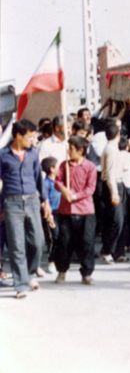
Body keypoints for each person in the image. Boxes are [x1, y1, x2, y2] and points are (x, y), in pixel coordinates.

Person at [0, 119, 52, 299]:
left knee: (38, 242)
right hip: (11, 203)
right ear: (18, 135)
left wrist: (45, 202)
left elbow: (39, 179)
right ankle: (21, 284)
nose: (33, 140)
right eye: (30, 136)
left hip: (32, 201)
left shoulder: (32, 154)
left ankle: (29, 274)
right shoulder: (3, 155)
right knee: (16, 245)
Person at [53, 136, 97, 285]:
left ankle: (87, 274)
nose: (68, 151)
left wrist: (75, 196)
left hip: (85, 211)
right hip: (66, 211)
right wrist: (63, 189)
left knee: (87, 242)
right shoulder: (64, 165)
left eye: (71, 149)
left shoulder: (90, 166)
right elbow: (57, 181)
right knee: (64, 242)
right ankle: (62, 271)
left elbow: (90, 188)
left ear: (80, 151)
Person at [100, 124, 127, 264]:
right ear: (118, 135)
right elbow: (110, 173)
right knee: (116, 221)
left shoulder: (112, 148)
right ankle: (107, 250)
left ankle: (114, 251)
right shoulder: (110, 149)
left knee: (115, 220)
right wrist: (114, 192)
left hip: (116, 184)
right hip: (113, 185)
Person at [41, 157, 61, 274]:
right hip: (51, 213)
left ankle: (59, 260)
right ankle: (51, 261)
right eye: (57, 166)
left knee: (62, 237)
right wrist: (49, 216)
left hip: (61, 212)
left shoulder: (60, 181)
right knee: (54, 237)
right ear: (52, 169)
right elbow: (43, 201)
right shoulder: (46, 183)